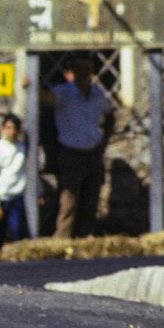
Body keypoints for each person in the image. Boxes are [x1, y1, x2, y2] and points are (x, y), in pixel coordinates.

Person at [46, 52, 113, 239]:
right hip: (71, 152)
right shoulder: (63, 92)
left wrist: (103, 142)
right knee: (69, 200)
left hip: (92, 152)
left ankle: (84, 238)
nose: (84, 73)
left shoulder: (97, 94)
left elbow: (109, 115)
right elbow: (45, 99)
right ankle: (63, 239)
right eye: (79, 69)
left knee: (91, 198)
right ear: (72, 72)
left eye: (87, 69)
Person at [0, 114, 29, 249]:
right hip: (1, 198)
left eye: (14, 128)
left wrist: (38, 193)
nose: (11, 132)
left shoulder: (22, 148)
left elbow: (28, 172)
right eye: (8, 128)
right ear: (2, 129)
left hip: (17, 197)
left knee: (18, 231)